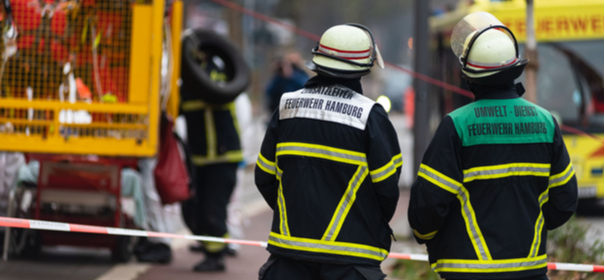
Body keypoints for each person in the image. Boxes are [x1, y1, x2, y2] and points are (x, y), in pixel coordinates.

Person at [407, 11, 578, 280]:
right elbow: (565, 200)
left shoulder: (456, 125)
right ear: (515, 69)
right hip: (529, 270)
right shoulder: (546, 123)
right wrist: (528, 228)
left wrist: (427, 236)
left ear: (469, 76)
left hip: (467, 272)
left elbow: (427, 207)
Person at [255, 24, 402, 280]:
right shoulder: (371, 116)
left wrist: (298, 213)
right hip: (352, 258)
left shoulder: (287, 107)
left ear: (317, 61)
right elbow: (387, 189)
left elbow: (264, 177)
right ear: (365, 67)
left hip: (289, 255)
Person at [180, 50, 243, 272]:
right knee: (192, 208)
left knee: (213, 209)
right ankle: (212, 244)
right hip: (199, 158)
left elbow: (217, 94)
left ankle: (215, 255)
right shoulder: (185, 83)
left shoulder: (217, 77)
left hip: (223, 157)